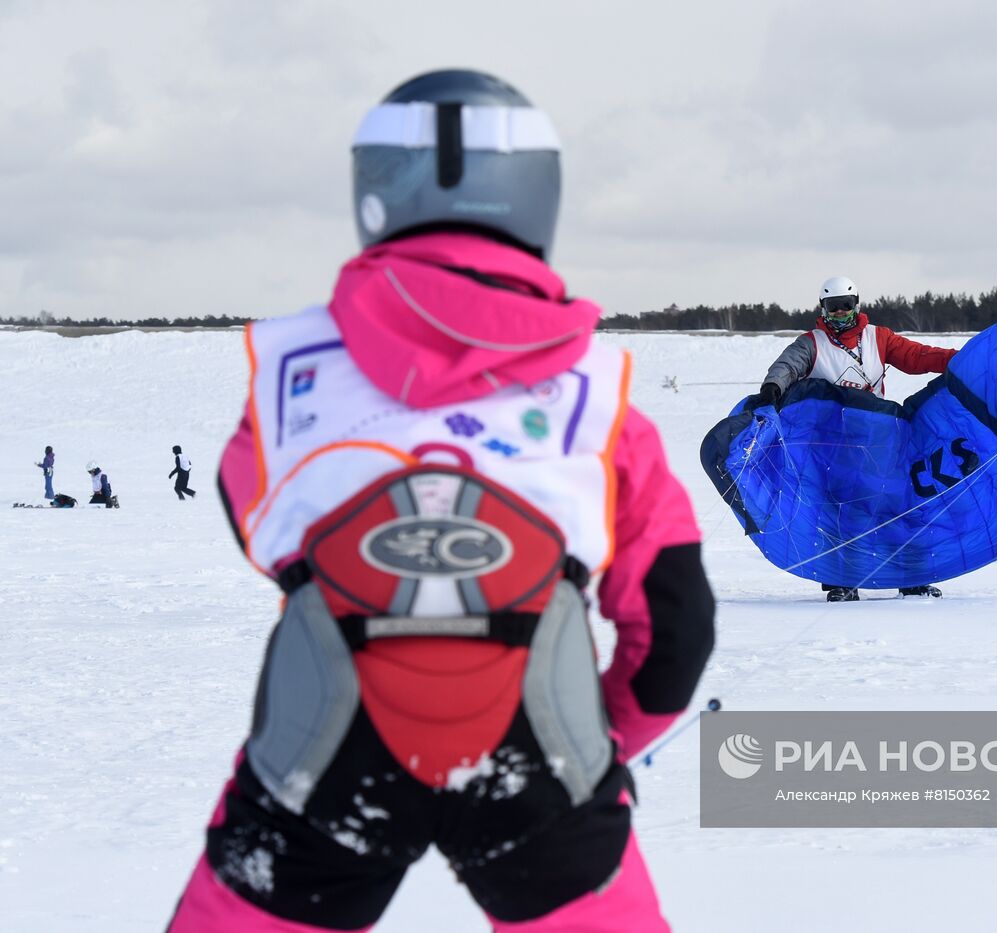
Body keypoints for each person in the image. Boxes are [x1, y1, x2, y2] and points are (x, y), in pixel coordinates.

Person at [167, 69, 715, 933]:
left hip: (327, 747)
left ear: (375, 191)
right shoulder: (598, 397)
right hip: (541, 755)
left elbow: (253, 521)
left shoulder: (292, 375)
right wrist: (594, 743)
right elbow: (676, 628)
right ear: (540, 198)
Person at [757, 275, 957, 602]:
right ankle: (842, 582)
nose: (839, 314)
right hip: (834, 448)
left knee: (899, 504)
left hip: (880, 442)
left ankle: (912, 577)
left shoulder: (879, 338)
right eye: (832, 308)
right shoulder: (812, 343)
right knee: (843, 514)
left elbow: (918, 357)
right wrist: (773, 388)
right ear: (823, 309)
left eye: (844, 306)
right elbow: (787, 366)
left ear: (856, 304)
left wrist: (955, 359)